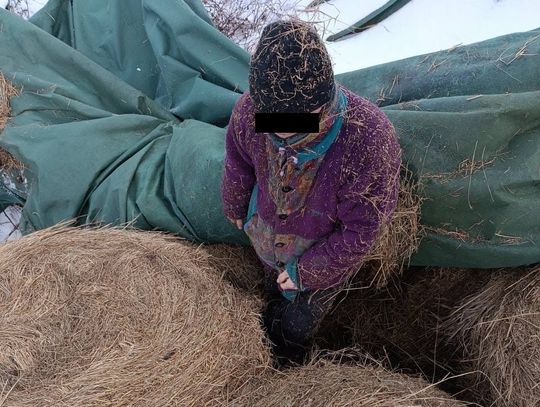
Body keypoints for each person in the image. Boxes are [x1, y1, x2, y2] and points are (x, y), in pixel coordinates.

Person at [221, 19, 402, 365]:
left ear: (323, 100)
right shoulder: (249, 113)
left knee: (297, 324)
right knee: (271, 292)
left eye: (300, 117)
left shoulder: (368, 140)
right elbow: (238, 160)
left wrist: (309, 272)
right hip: (267, 237)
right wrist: (234, 204)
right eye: (273, 117)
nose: (284, 129)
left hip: (321, 257)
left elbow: (363, 230)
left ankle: (289, 357)